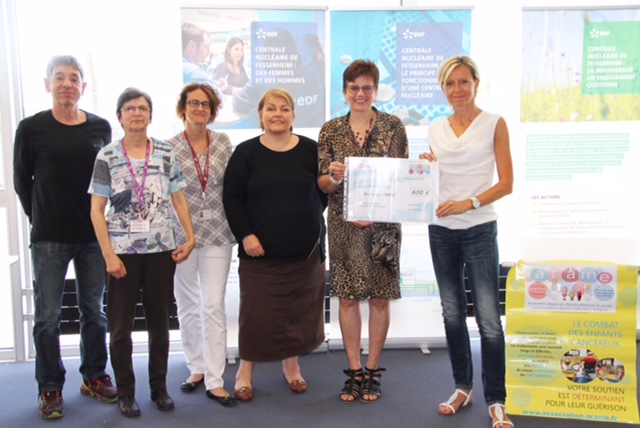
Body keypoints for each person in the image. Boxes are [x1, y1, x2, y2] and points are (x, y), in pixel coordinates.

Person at [13, 54, 117, 419]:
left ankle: (94, 376)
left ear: (83, 87)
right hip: (49, 238)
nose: (67, 84)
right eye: (60, 77)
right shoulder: (30, 128)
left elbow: (108, 180)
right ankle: (50, 387)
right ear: (47, 84)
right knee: (47, 317)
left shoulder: (100, 128)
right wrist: (38, 217)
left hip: (92, 237)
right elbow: (21, 181)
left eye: (74, 78)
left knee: (94, 312)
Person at [418, 55, 514, 428]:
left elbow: (506, 184)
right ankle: (462, 387)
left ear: (476, 84)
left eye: (464, 82)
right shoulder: (436, 128)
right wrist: (427, 167)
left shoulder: (494, 123)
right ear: (443, 89)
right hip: (441, 229)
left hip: (478, 228)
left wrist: (469, 203)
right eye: (450, 83)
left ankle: (496, 399)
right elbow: (438, 178)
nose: (457, 90)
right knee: (452, 314)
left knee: (489, 320)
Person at [88, 87, 196, 417]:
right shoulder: (107, 156)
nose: (137, 113)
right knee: (120, 329)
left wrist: (188, 237)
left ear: (150, 116)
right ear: (119, 116)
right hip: (121, 253)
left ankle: (159, 389)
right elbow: (96, 209)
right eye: (130, 108)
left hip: (160, 250)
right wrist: (108, 254)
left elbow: (178, 198)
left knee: (160, 325)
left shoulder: (165, 152)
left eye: (143, 108)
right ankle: (125, 392)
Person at [223, 88, 326, 402]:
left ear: (293, 115)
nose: (278, 114)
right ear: (261, 115)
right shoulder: (245, 152)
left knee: (298, 313)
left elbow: (322, 193)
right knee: (256, 316)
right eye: (271, 108)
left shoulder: (312, 150)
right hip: (259, 254)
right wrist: (247, 235)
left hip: (305, 252)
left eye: (284, 108)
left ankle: (291, 369)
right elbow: (232, 198)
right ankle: (245, 372)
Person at [317, 59, 408, 403]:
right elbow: (322, 184)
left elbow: (400, 176)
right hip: (344, 225)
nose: (360, 93)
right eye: (354, 87)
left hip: (383, 226)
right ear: (344, 92)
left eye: (367, 87)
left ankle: (373, 371)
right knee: (349, 297)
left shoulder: (393, 125)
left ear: (375, 90)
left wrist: (376, 212)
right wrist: (334, 177)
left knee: (380, 298)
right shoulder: (330, 130)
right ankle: (353, 371)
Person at [167, 83, 237, 407]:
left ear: (212, 110)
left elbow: (234, 187)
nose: (199, 108)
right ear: (184, 107)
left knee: (212, 303)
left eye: (205, 104)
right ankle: (195, 368)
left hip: (218, 233)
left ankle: (215, 378)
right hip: (182, 235)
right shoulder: (167, 148)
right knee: (187, 302)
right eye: (193, 103)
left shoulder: (223, 143)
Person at [232, 29, 323, 128]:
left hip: (275, 139)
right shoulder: (313, 74)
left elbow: (238, 103)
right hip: (309, 136)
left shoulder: (261, 83)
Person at [181, 22, 224, 103]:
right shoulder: (193, 72)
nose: (209, 51)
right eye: (206, 46)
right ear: (192, 45)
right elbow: (219, 100)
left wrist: (215, 86)